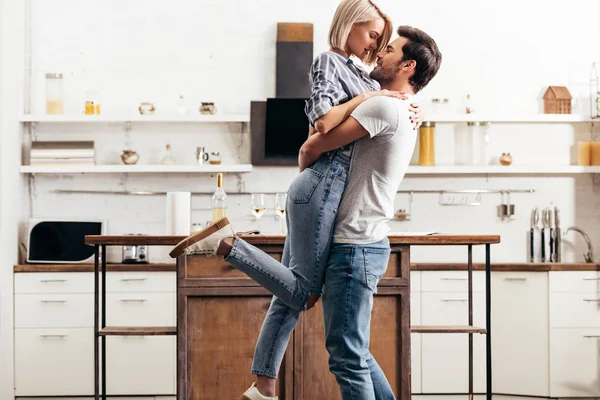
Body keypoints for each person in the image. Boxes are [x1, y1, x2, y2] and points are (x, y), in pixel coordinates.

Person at [169, 2, 422, 399]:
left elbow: (385, 106)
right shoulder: (330, 62)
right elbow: (320, 125)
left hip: (328, 191)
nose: (377, 46)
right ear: (349, 25)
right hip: (322, 185)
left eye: (384, 42)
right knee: (304, 294)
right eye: (374, 35)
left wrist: (397, 99)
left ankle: (265, 385)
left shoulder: (369, 80)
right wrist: (377, 99)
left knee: (291, 297)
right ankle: (226, 244)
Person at [297, 25, 442, 399]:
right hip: (367, 242)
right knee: (354, 352)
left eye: (389, 49)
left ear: (407, 65)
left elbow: (315, 143)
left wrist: (305, 170)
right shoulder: (397, 106)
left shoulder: (382, 105)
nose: (379, 52)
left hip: (354, 245)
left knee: (346, 357)